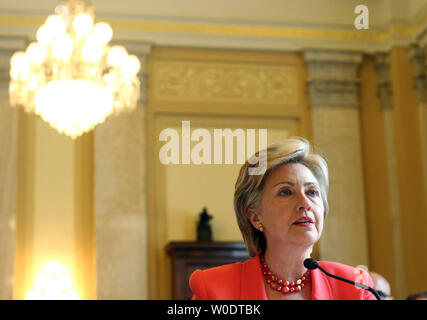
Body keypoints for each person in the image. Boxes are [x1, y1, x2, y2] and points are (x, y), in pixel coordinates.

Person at [189, 137, 376, 300]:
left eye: (312, 192)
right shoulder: (213, 288)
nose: (305, 203)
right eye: (286, 192)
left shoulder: (354, 287)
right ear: (255, 216)